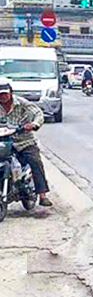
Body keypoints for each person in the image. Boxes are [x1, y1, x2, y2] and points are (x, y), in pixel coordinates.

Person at [0, 76, 52, 207]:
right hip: (4, 142)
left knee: (35, 161)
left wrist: (34, 124)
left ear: (11, 92)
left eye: (5, 93)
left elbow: (38, 113)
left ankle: (42, 194)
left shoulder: (22, 103)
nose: (3, 97)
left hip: (24, 141)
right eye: (0, 94)